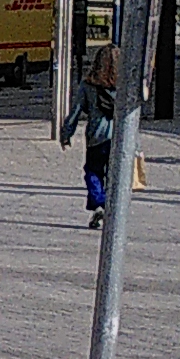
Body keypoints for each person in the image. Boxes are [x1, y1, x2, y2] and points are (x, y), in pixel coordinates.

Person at [73, 44, 121, 226]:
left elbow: (76, 111)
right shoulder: (124, 85)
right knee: (114, 175)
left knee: (93, 172)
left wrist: (66, 133)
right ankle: (111, 208)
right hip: (118, 139)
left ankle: (99, 204)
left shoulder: (88, 85)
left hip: (96, 138)